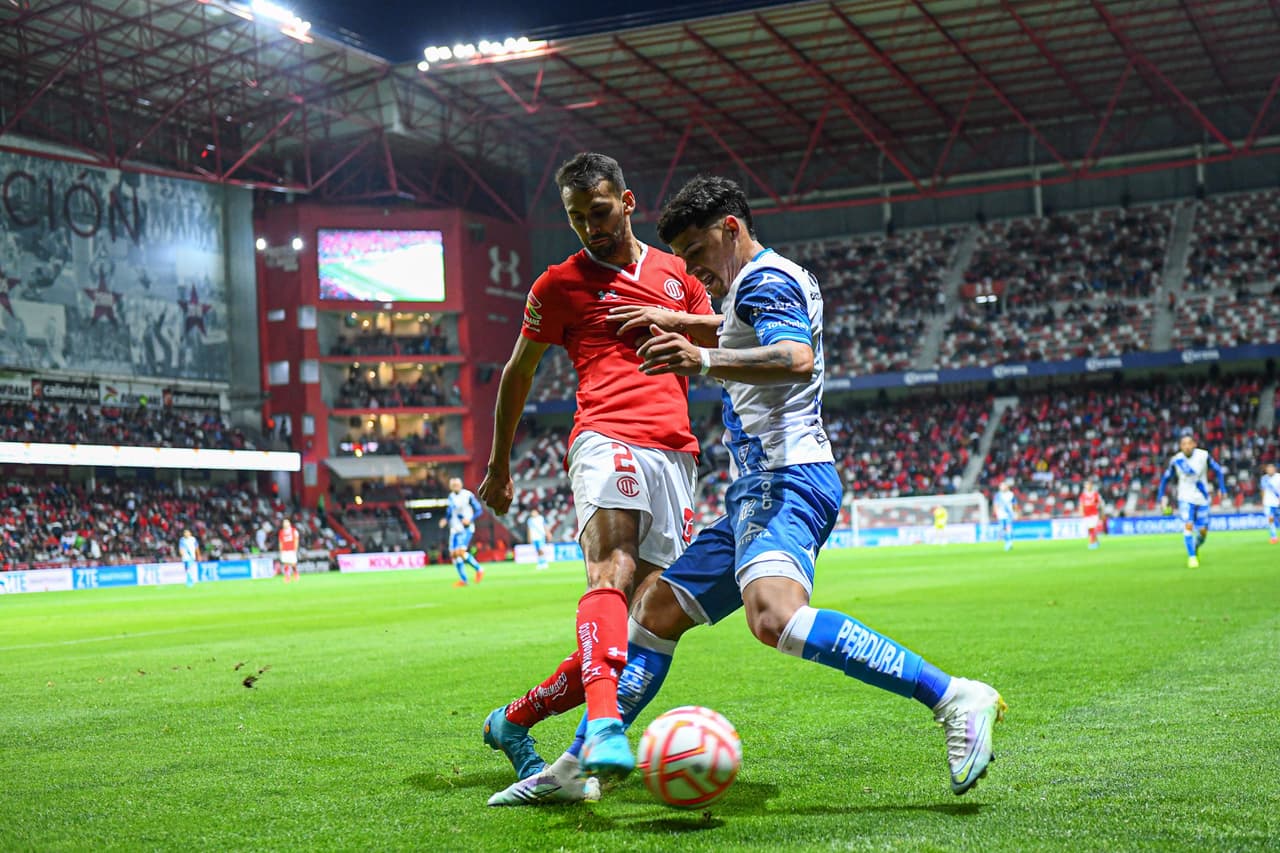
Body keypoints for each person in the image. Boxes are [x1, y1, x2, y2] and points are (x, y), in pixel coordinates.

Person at [487, 175, 1005, 806]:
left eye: (699, 253)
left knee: (774, 617)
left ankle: (952, 697)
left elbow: (792, 359)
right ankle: (574, 769)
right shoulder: (750, 288)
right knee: (653, 615)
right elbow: (732, 329)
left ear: (729, 228)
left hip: (787, 480)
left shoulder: (765, 280)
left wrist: (696, 359)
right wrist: (679, 320)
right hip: (754, 489)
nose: (695, 269)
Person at [478, 152, 713, 781]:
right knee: (613, 567)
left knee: (642, 624)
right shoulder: (558, 285)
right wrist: (499, 466)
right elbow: (517, 373)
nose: (590, 226)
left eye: (600, 211)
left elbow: (723, 340)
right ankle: (606, 724)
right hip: (606, 436)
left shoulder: (675, 273)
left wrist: (681, 324)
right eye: (577, 217)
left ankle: (515, 719)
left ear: (629, 202)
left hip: (676, 455)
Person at [1157, 428, 1227, 569]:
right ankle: (1192, 557)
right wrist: (1161, 497)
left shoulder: (1203, 455)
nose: (1187, 446)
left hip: (1202, 497)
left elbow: (1218, 470)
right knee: (1188, 525)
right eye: (1184, 444)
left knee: (1203, 531)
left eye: (1189, 443)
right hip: (1185, 497)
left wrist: (1222, 488)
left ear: (1195, 444)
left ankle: (1195, 547)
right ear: (1180, 446)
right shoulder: (1176, 460)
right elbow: (1165, 479)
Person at [442, 477, 485, 586]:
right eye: (453, 485)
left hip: (465, 528)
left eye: (457, 484)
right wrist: (445, 520)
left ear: (461, 485)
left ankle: (479, 569)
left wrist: (469, 520)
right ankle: (464, 580)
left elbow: (479, 509)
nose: (455, 486)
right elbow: (450, 511)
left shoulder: (468, 495)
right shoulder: (451, 497)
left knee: (460, 552)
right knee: (453, 554)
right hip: (454, 528)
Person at [1080, 480, 1102, 550]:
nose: (1088, 486)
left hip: (1094, 514)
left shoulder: (1095, 494)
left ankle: (1091, 543)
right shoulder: (1083, 495)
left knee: (1092, 528)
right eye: (1086, 485)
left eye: (1089, 485)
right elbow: (1081, 505)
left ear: (1091, 486)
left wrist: (1101, 512)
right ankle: (1097, 541)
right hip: (1086, 515)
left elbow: (1100, 503)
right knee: (1090, 529)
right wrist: (1081, 513)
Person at [994, 481, 1016, 551]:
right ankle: (1007, 542)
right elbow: (996, 505)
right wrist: (996, 513)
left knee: (1008, 528)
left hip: (1009, 515)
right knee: (1003, 529)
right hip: (1001, 515)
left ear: (1006, 487)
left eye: (1003, 486)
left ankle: (1009, 543)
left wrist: (1015, 512)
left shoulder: (1011, 494)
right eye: (1000, 486)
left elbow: (1014, 504)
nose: (1001, 487)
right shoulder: (998, 495)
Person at [1261, 462, 1280, 544]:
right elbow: (1263, 490)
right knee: (1270, 519)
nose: (1269, 470)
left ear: (1274, 469)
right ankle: (1274, 537)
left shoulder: (1278, 477)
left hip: (1277, 502)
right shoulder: (1264, 478)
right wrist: (1263, 501)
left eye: (1271, 469)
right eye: (1268, 469)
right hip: (1268, 503)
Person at [277, 518, 299, 583]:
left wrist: (295, 549)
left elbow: (296, 540)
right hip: (284, 550)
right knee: (286, 563)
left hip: (292, 549)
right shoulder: (281, 532)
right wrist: (281, 550)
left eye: (286, 522)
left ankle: (295, 573)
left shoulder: (294, 531)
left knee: (293, 563)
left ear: (289, 523)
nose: (285, 524)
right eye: (284, 523)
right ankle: (287, 576)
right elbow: (280, 542)